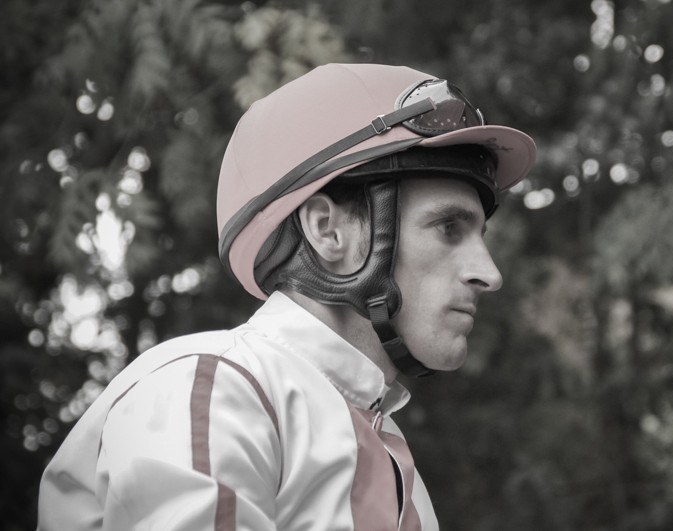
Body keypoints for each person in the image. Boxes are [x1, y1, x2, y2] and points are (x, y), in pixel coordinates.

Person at [37, 63, 536, 530]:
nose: (489, 274)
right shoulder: (213, 386)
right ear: (327, 230)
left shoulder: (386, 443)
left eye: (480, 236)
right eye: (448, 228)